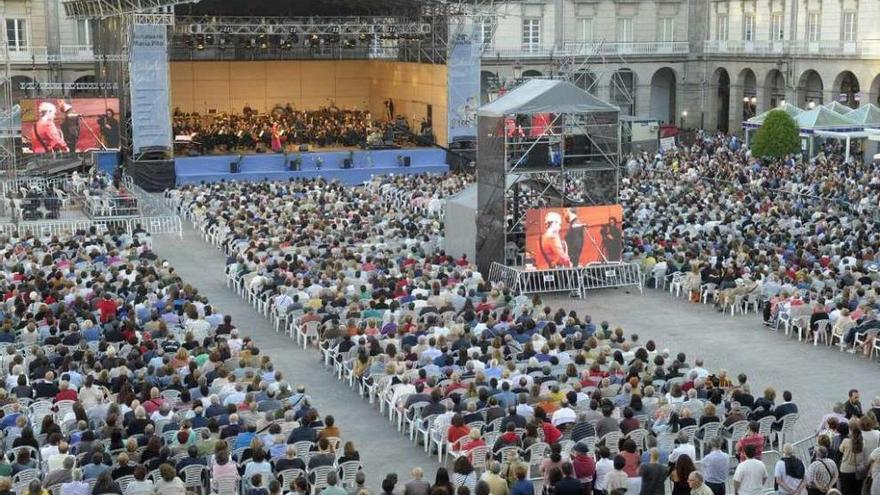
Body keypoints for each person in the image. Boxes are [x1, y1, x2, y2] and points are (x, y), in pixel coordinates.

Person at [839, 426, 866, 495]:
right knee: (857, 491)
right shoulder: (863, 443)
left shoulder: (846, 441)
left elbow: (840, 450)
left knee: (846, 491)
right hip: (857, 470)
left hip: (845, 469)